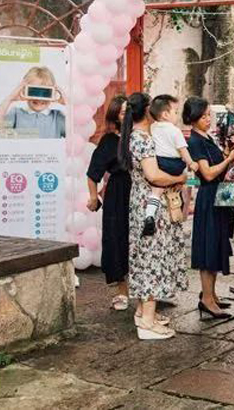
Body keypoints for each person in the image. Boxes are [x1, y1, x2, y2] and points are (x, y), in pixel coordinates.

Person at [120, 93, 188, 340]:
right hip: (152, 206)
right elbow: (154, 175)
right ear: (148, 110)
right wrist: (179, 178)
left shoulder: (133, 136)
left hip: (140, 201)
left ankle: (143, 312)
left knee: (143, 256)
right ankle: (147, 323)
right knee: (152, 258)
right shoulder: (144, 139)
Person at [184, 96, 234, 320]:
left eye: (209, 115)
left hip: (219, 194)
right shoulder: (195, 142)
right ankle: (207, 299)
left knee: (218, 244)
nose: (208, 119)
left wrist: (228, 154)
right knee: (209, 247)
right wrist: (229, 159)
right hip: (209, 196)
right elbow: (207, 173)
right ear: (193, 118)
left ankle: (211, 294)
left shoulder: (206, 137)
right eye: (203, 116)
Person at [86, 96, 132, 311]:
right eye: (122, 112)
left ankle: (148, 291)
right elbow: (93, 173)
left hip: (143, 193)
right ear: (115, 117)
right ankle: (122, 291)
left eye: (129, 111)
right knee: (117, 239)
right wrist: (93, 197)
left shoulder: (142, 136)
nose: (127, 116)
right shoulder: (109, 141)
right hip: (118, 193)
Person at [143, 95, 198, 236]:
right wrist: (191, 163)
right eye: (175, 112)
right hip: (175, 164)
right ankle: (183, 211)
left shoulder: (152, 128)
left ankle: (149, 215)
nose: (177, 115)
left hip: (159, 162)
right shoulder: (175, 130)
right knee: (184, 182)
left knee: (156, 192)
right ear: (165, 114)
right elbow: (182, 150)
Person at [0, 66, 66, 138]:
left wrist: (68, 103)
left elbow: (73, 134)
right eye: (34, 92)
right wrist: (10, 98)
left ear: (53, 93)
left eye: (45, 93)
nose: (39, 99)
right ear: (25, 91)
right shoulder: (16, 114)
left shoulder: (57, 117)